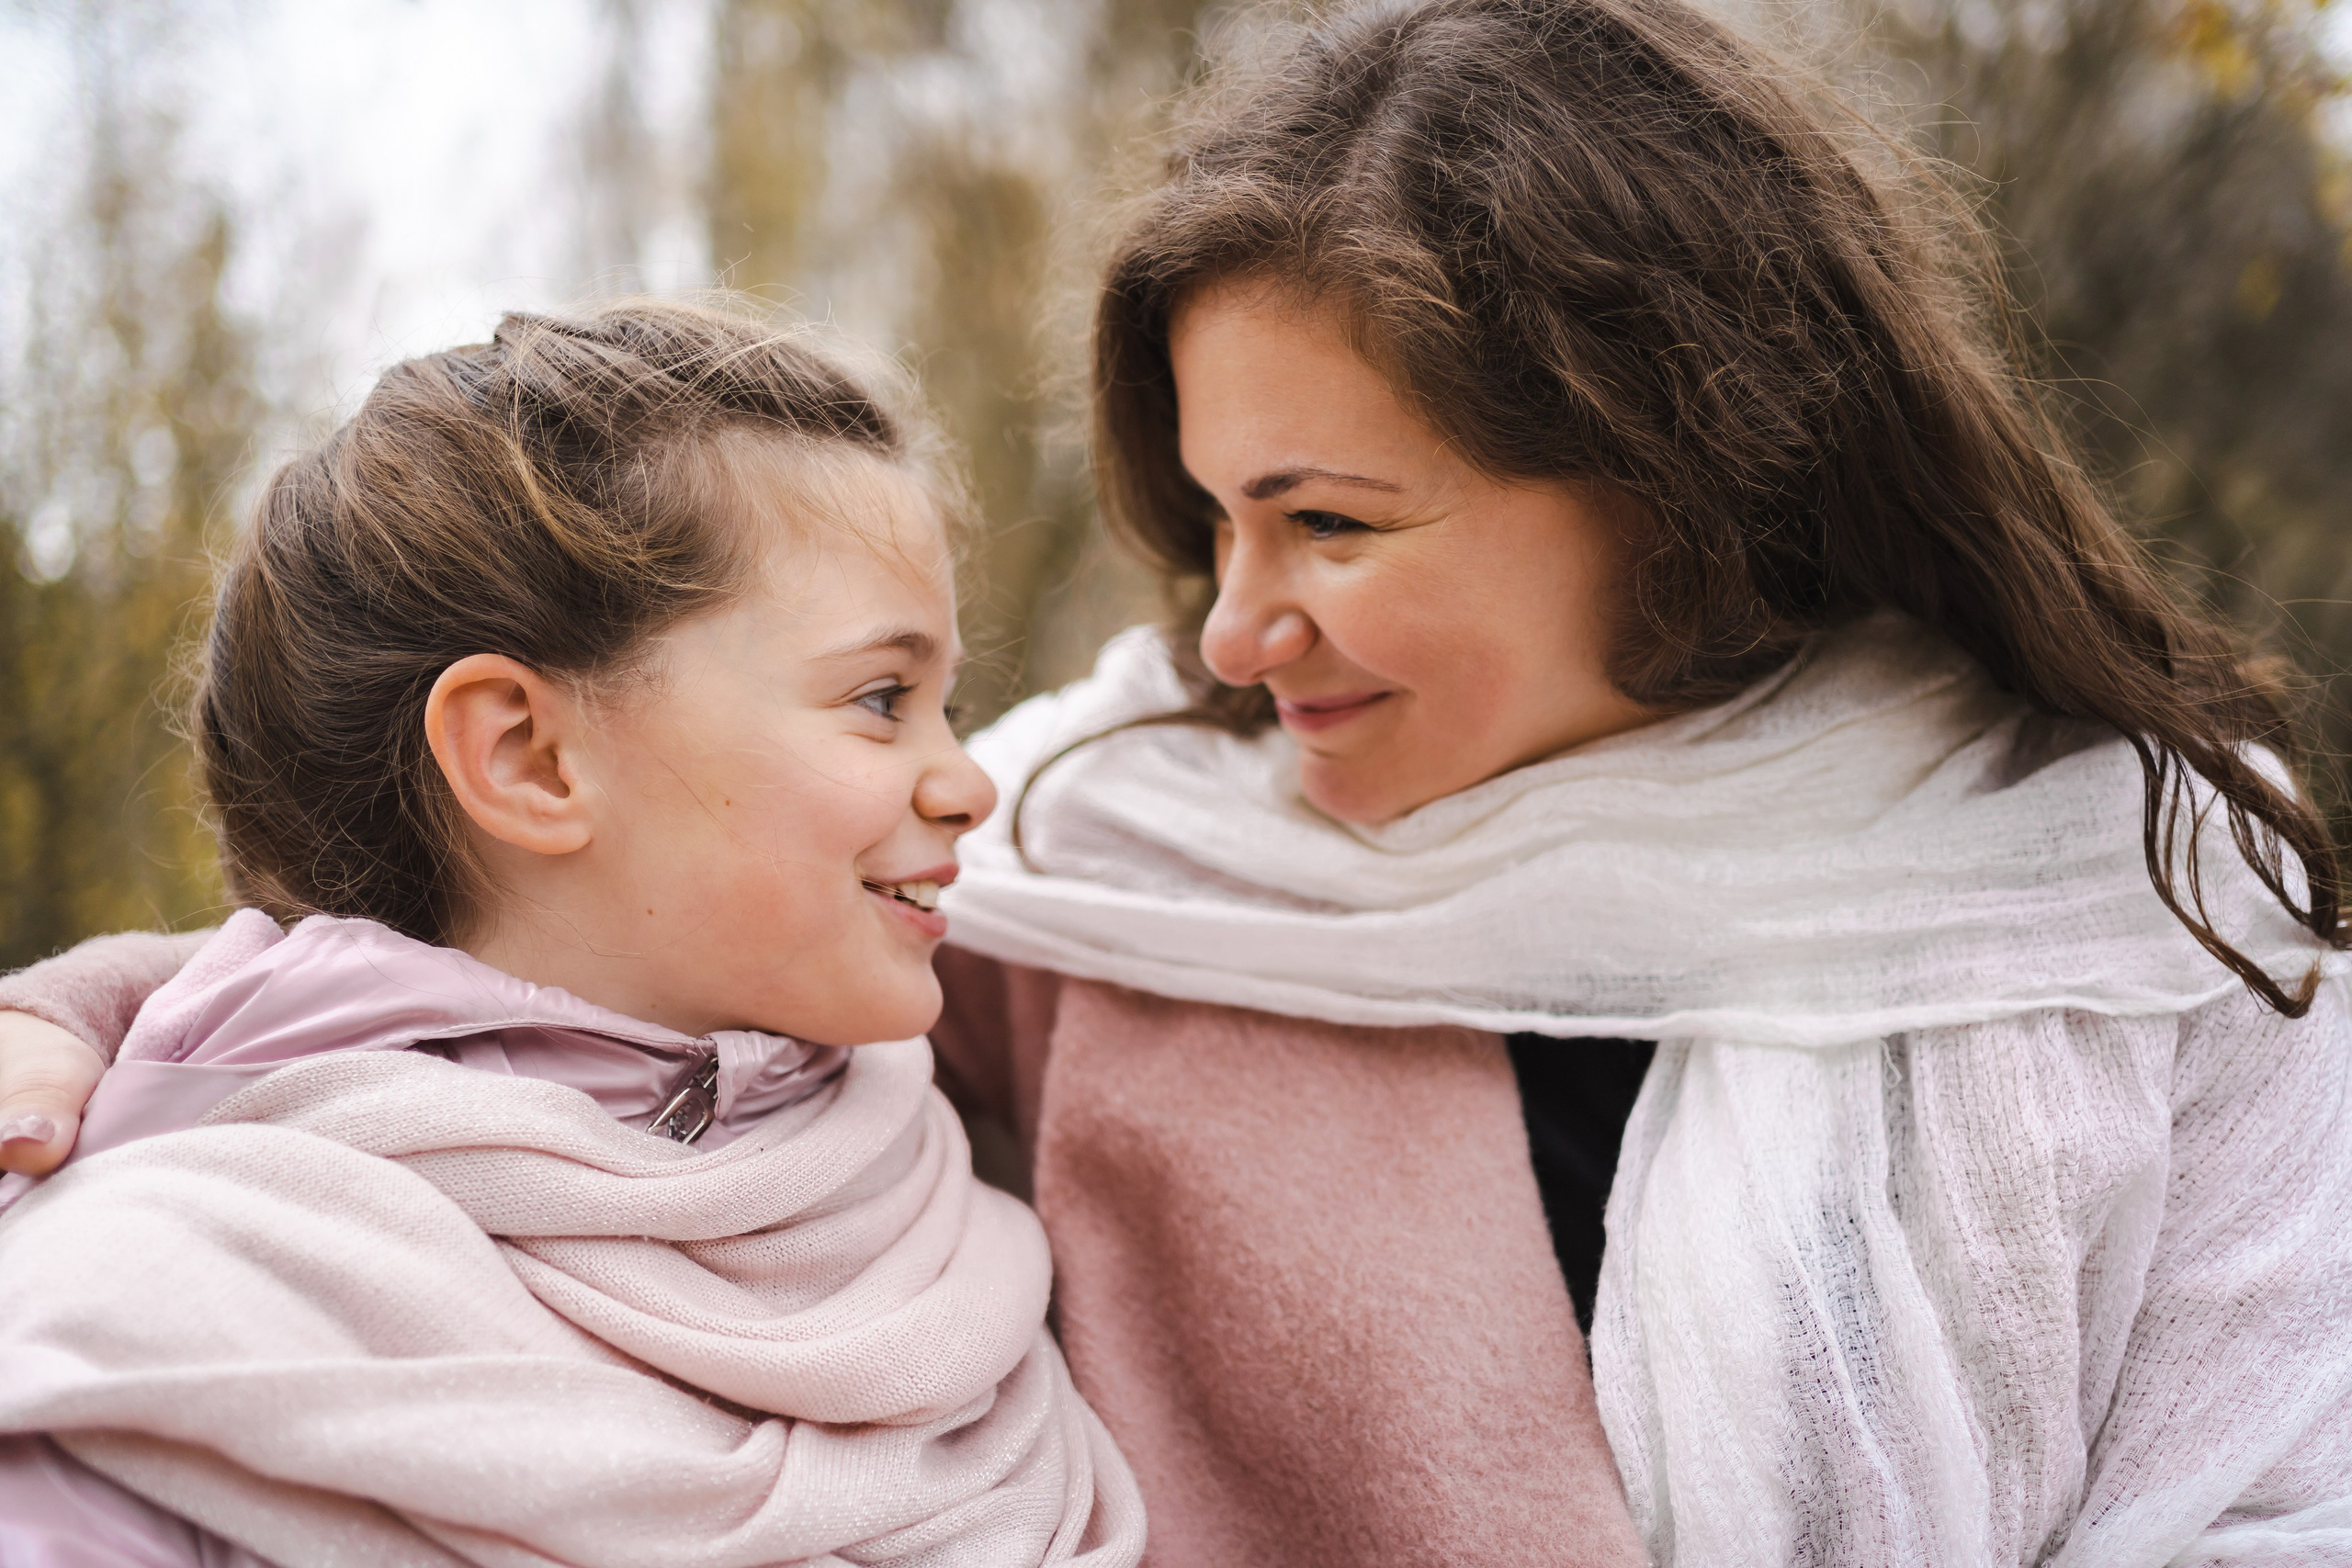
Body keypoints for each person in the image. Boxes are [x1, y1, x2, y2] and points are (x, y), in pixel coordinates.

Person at [7, 0, 2352, 1562]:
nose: (1229, 632)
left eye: (1330, 520)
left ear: (1676, 468)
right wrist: (82, 1029)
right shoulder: (1120, 843)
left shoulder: (2151, 917)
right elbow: (519, 962)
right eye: (1216, 520)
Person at [0, 300, 1143, 1567]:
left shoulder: (932, 1176)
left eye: (951, 701)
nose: (968, 780)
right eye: (881, 698)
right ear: (530, 758)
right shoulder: (131, 1328)